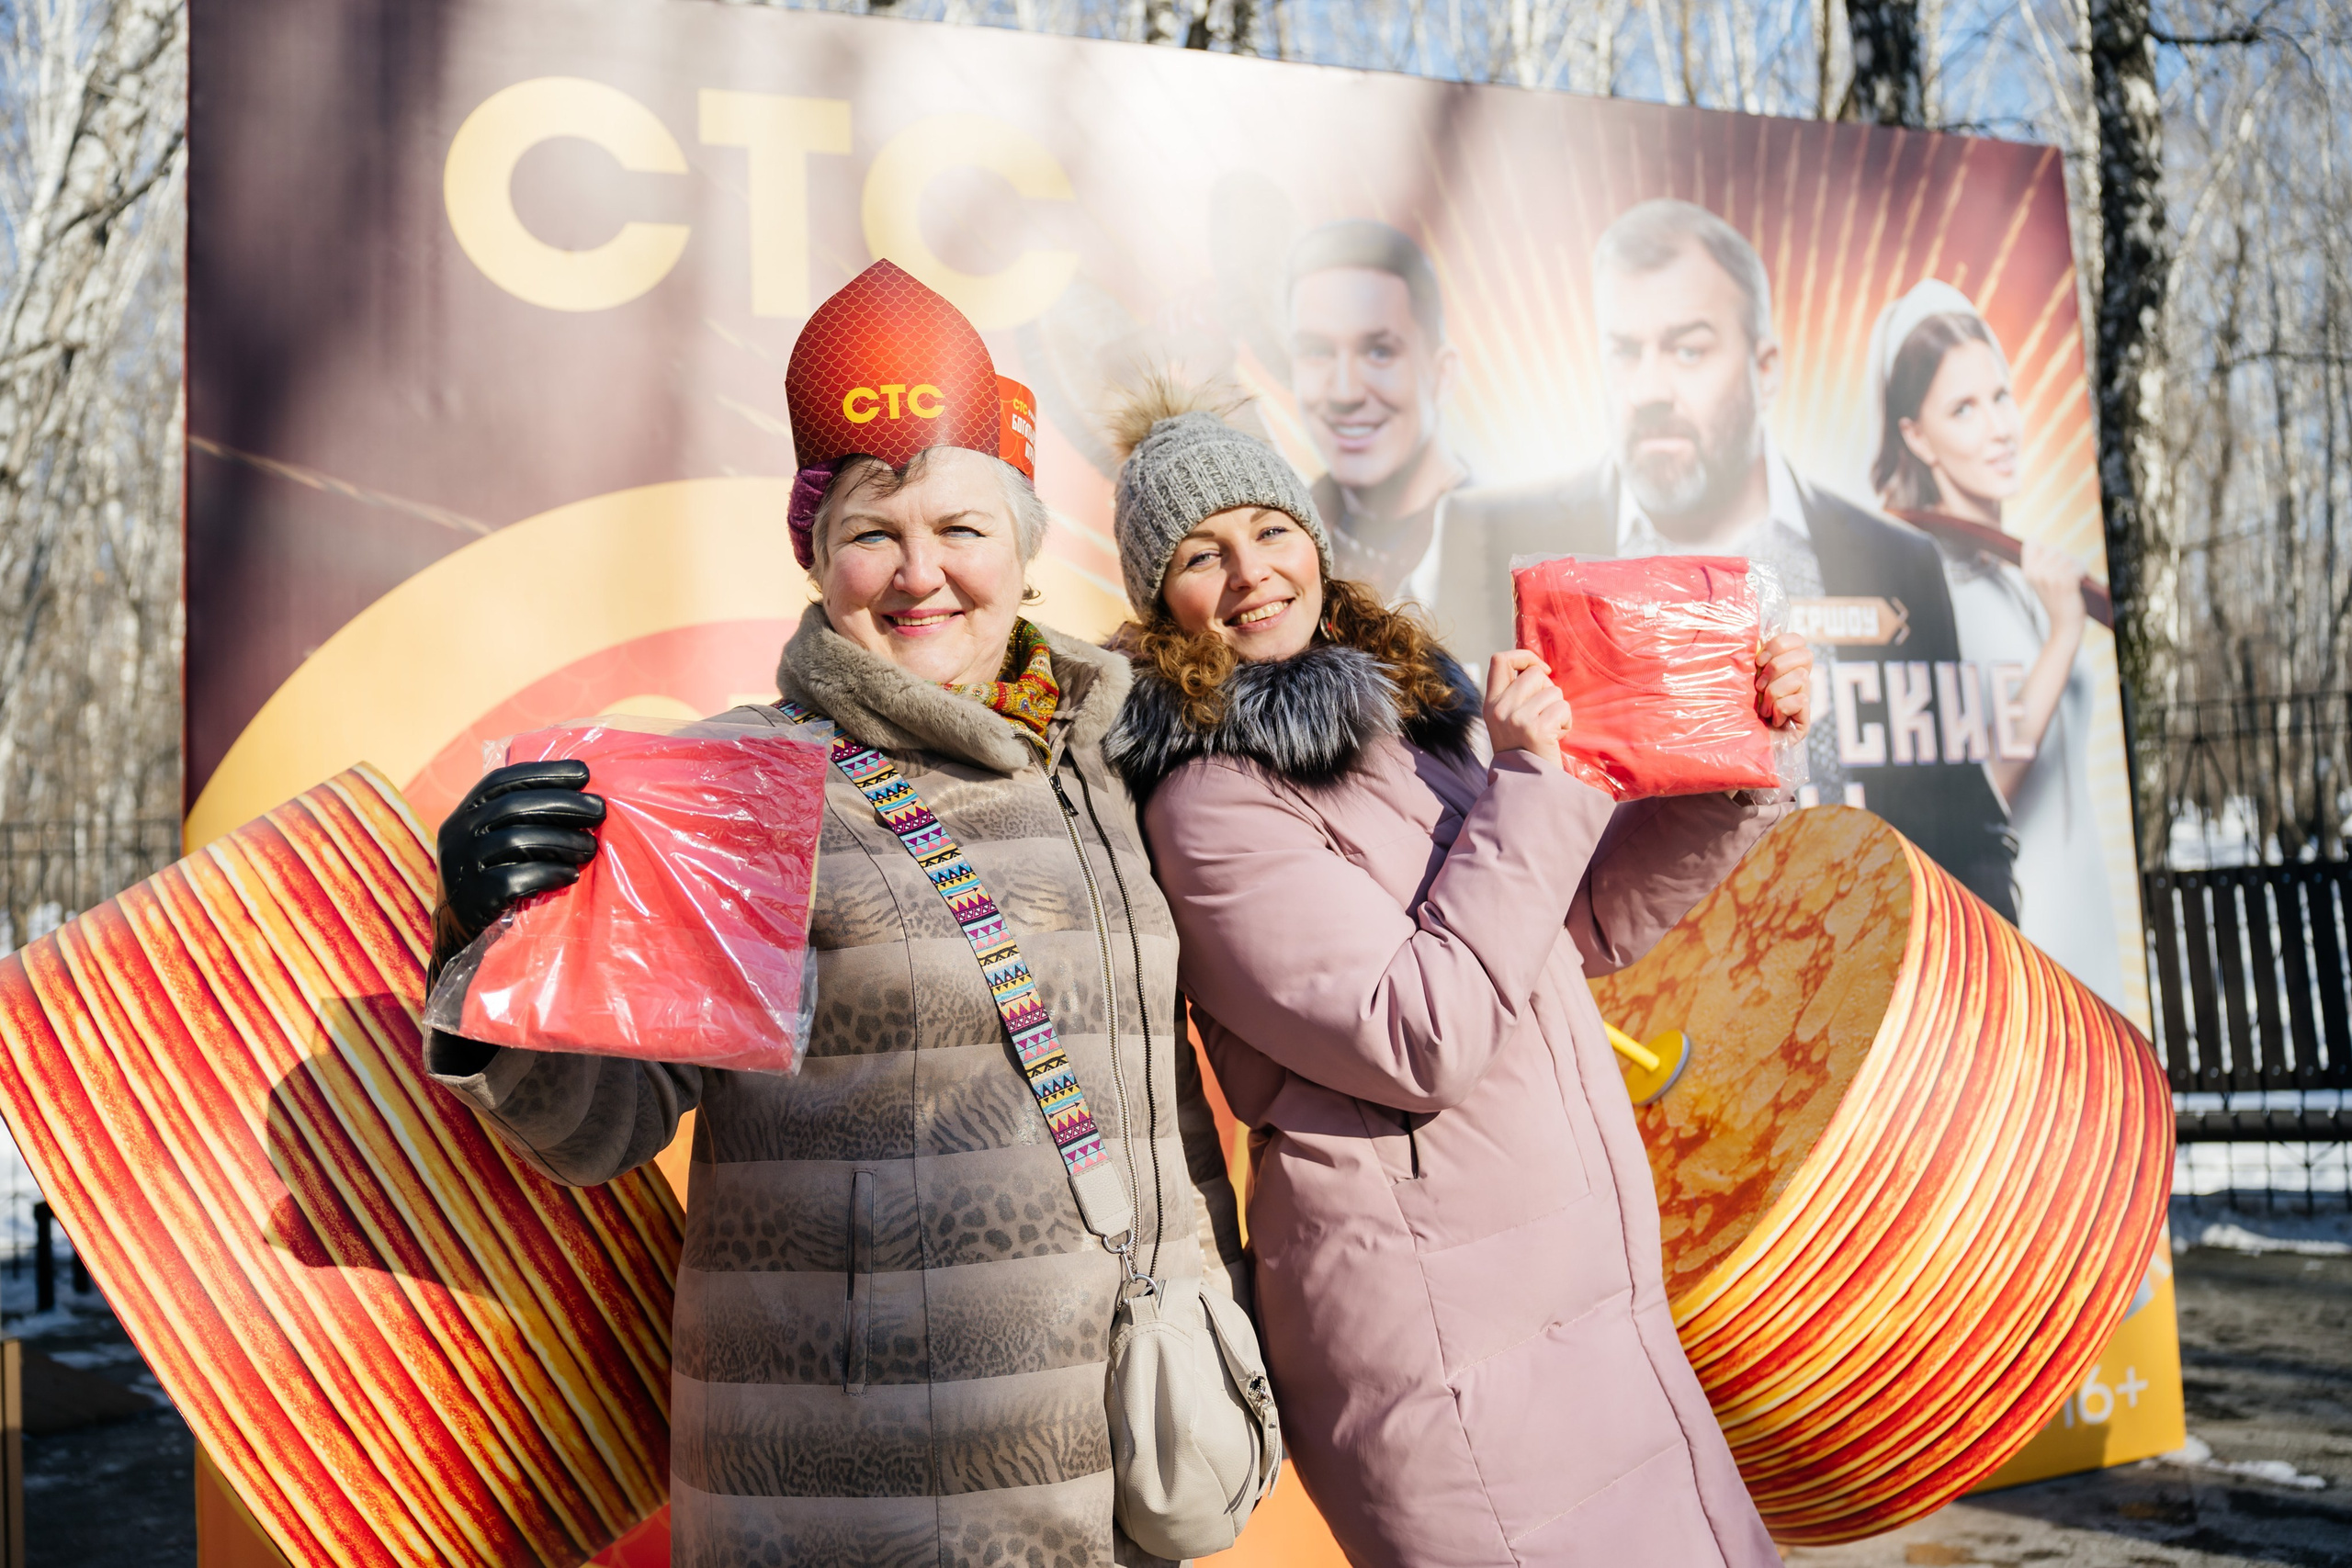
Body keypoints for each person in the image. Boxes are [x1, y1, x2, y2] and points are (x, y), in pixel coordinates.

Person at [424, 261, 1245, 1567]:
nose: (922, 573)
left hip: (1127, 1466)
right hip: (853, 1501)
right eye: (873, 529)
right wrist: (490, 941)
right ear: (814, 554)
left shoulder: (1120, 749)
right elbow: (601, 1126)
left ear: (1026, 550)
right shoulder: (739, 789)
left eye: (963, 528)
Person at [1102, 380, 1807, 1568]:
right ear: (1161, 602)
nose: (1252, 570)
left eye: (1269, 528)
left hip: (1579, 1290)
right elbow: (1417, 1029)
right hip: (1446, 1337)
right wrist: (1544, 774)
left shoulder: (1413, 714)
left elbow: (1569, 923)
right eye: (1200, 552)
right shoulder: (1210, 799)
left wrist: (1735, 755)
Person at [1448, 197, 2020, 921]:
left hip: (1848, 963)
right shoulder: (1493, 539)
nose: (1651, 389)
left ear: (1766, 367)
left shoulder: (1895, 558)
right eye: (1626, 351)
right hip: (1622, 989)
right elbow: (1458, 803)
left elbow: (1963, 829)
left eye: (1688, 349)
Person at [1869, 278, 2125, 1003]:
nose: (1999, 427)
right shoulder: (1924, 592)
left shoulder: (2021, 574)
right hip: (2013, 955)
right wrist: (2064, 634)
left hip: (2087, 939)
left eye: (2001, 397)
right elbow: (1978, 790)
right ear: (1915, 434)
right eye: (1964, 408)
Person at [1287, 220, 1471, 607]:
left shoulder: (1508, 539)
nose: (1345, 392)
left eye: (1379, 351)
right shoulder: (1277, 544)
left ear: (1443, 374)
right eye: (1317, 351)